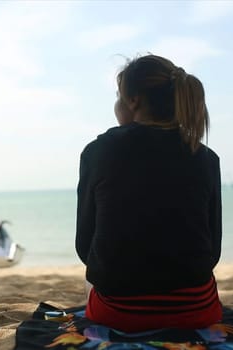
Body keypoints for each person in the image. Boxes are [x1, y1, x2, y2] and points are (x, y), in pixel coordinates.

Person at [75, 54, 222, 332]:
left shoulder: (99, 151)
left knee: (91, 282)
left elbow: (85, 247)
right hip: (198, 310)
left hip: (119, 313)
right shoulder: (206, 157)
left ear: (134, 101)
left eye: (119, 96)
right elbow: (212, 250)